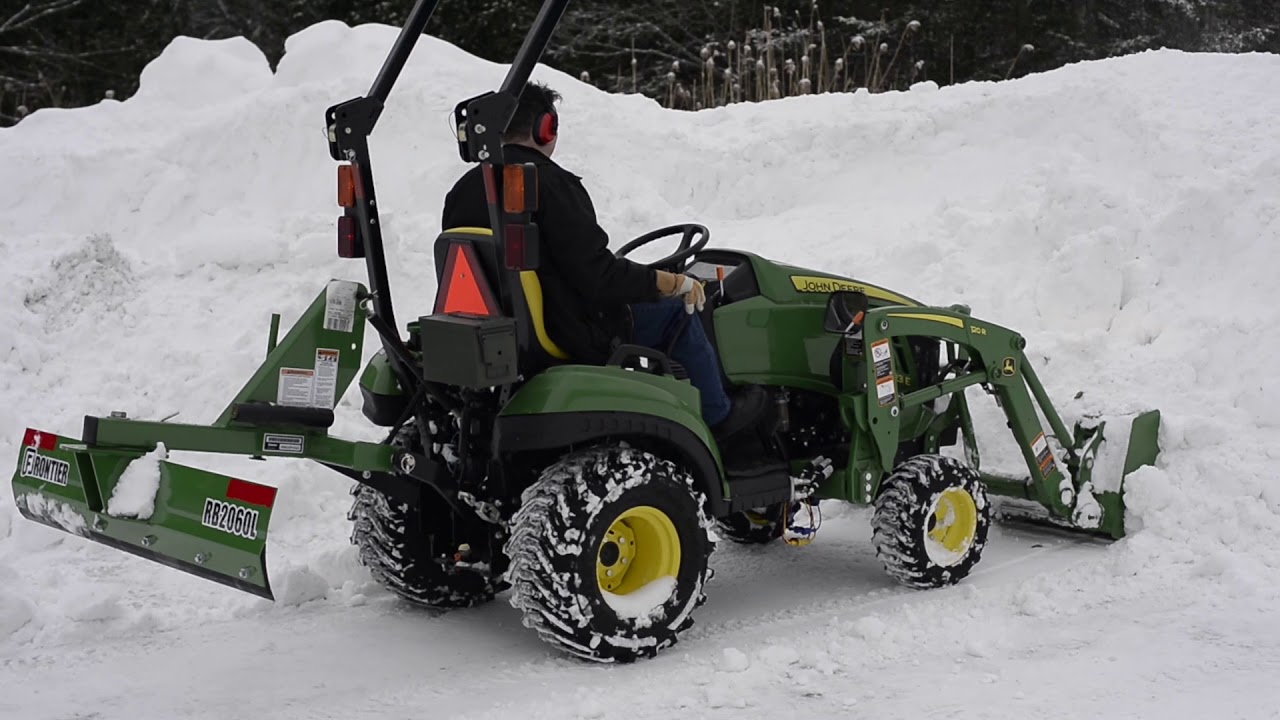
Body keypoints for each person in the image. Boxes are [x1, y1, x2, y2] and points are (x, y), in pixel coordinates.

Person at [441, 81, 766, 439]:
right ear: (546, 127)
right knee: (678, 313)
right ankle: (720, 416)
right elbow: (599, 277)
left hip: (505, 331)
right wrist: (671, 282)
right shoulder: (549, 184)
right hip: (570, 328)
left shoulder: (466, 189)